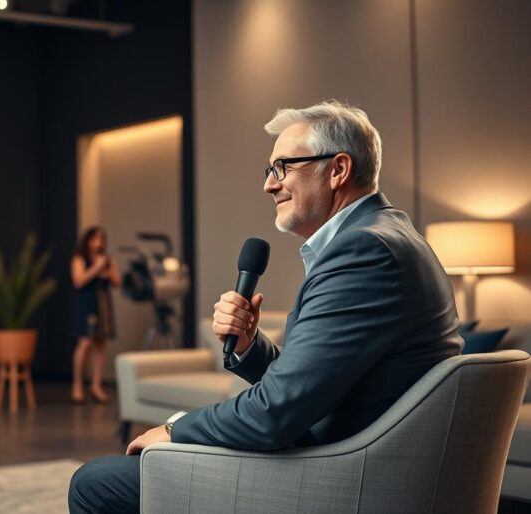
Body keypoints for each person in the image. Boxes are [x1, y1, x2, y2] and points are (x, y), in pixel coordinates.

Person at [68, 100, 463, 513]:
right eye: (269, 170)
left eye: (283, 167)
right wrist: (248, 345)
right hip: (349, 455)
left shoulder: (364, 251)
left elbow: (274, 415)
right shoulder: (387, 235)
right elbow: (311, 385)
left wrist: (176, 428)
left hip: (339, 480)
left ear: (338, 170)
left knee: (96, 484)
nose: (269, 185)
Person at [70, 226, 120, 403]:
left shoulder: (107, 259)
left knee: (101, 344)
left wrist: (107, 270)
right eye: (95, 239)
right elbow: (78, 281)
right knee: (85, 343)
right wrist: (95, 269)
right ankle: (77, 385)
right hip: (87, 304)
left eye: (101, 239)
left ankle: (96, 386)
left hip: (103, 304)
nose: (98, 242)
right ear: (88, 240)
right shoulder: (79, 258)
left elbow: (117, 282)